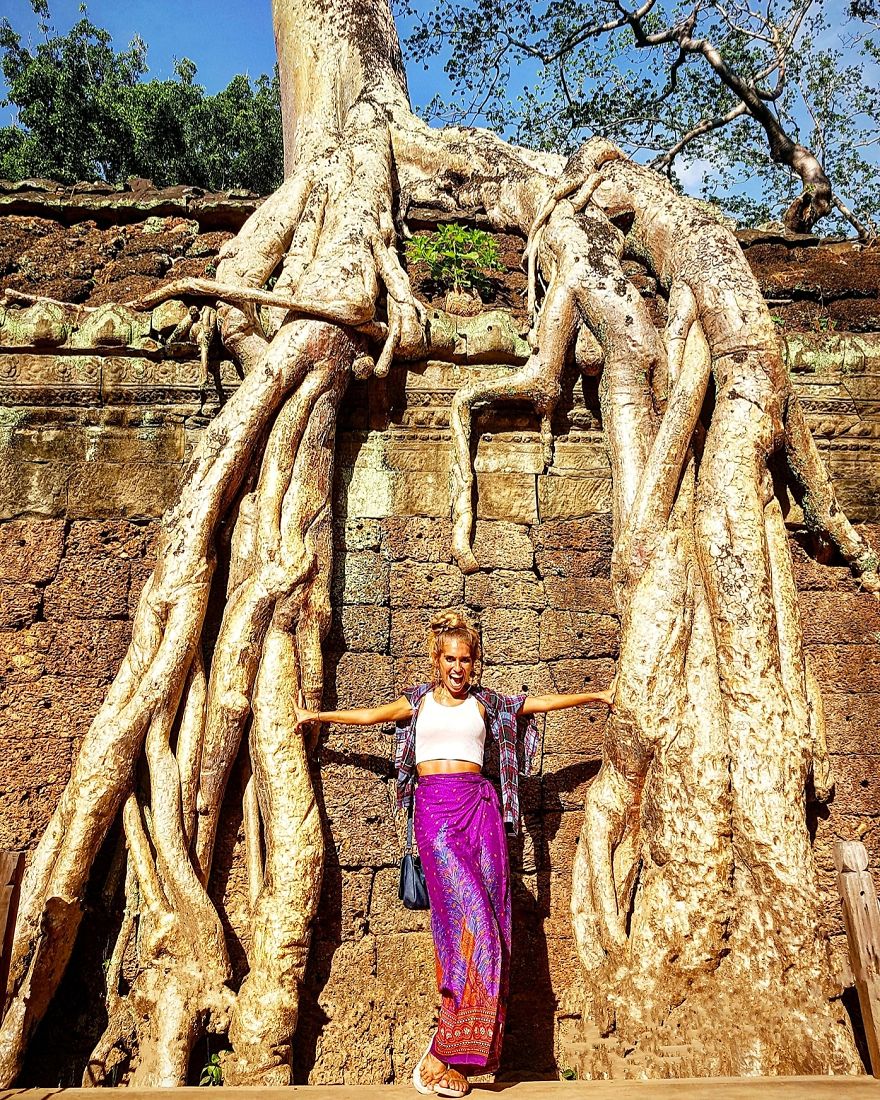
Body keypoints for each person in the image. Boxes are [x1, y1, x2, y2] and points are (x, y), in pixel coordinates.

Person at [294, 610, 614, 1096]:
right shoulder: (419, 703)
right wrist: (313, 716)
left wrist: (595, 694)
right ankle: (444, 1049)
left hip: (480, 814)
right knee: (472, 927)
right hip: (435, 817)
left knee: (493, 935)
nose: (458, 667)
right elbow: (367, 716)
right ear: (436, 659)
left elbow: (541, 704)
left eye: (466, 659)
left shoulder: (488, 705)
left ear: (475, 662)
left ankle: (457, 1062)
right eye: (450, 658)